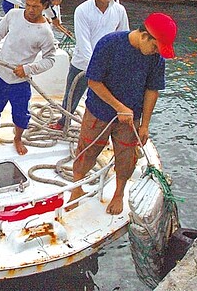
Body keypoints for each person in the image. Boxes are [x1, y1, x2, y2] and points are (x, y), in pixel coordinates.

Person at [67, 13, 177, 215]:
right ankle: (76, 187)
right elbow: (93, 82)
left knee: (126, 158)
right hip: (98, 112)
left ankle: (119, 193)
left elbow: (152, 90)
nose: (155, 52)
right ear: (144, 35)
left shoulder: (156, 58)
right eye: (154, 47)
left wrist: (144, 125)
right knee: (87, 151)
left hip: (130, 119)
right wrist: (118, 107)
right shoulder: (109, 44)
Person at [0, 0, 56, 163]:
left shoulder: (46, 33)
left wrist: (28, 69)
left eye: (36, 6)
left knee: (21, 114)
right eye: (28, 4)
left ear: (45, 6)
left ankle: (17, 138)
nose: (31, 10)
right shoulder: (12, 15)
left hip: (21, 80)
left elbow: (50, 59)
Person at [50, 0, 129, 130]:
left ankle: (103, 129)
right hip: (82, 63)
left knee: (104, 100)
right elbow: (83, 41)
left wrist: (118, 63)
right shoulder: (82, 10)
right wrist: (95, 67)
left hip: (108, 66)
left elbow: (124, 37)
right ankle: (64, 122)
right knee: (72, 94)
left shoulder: (119, 11)